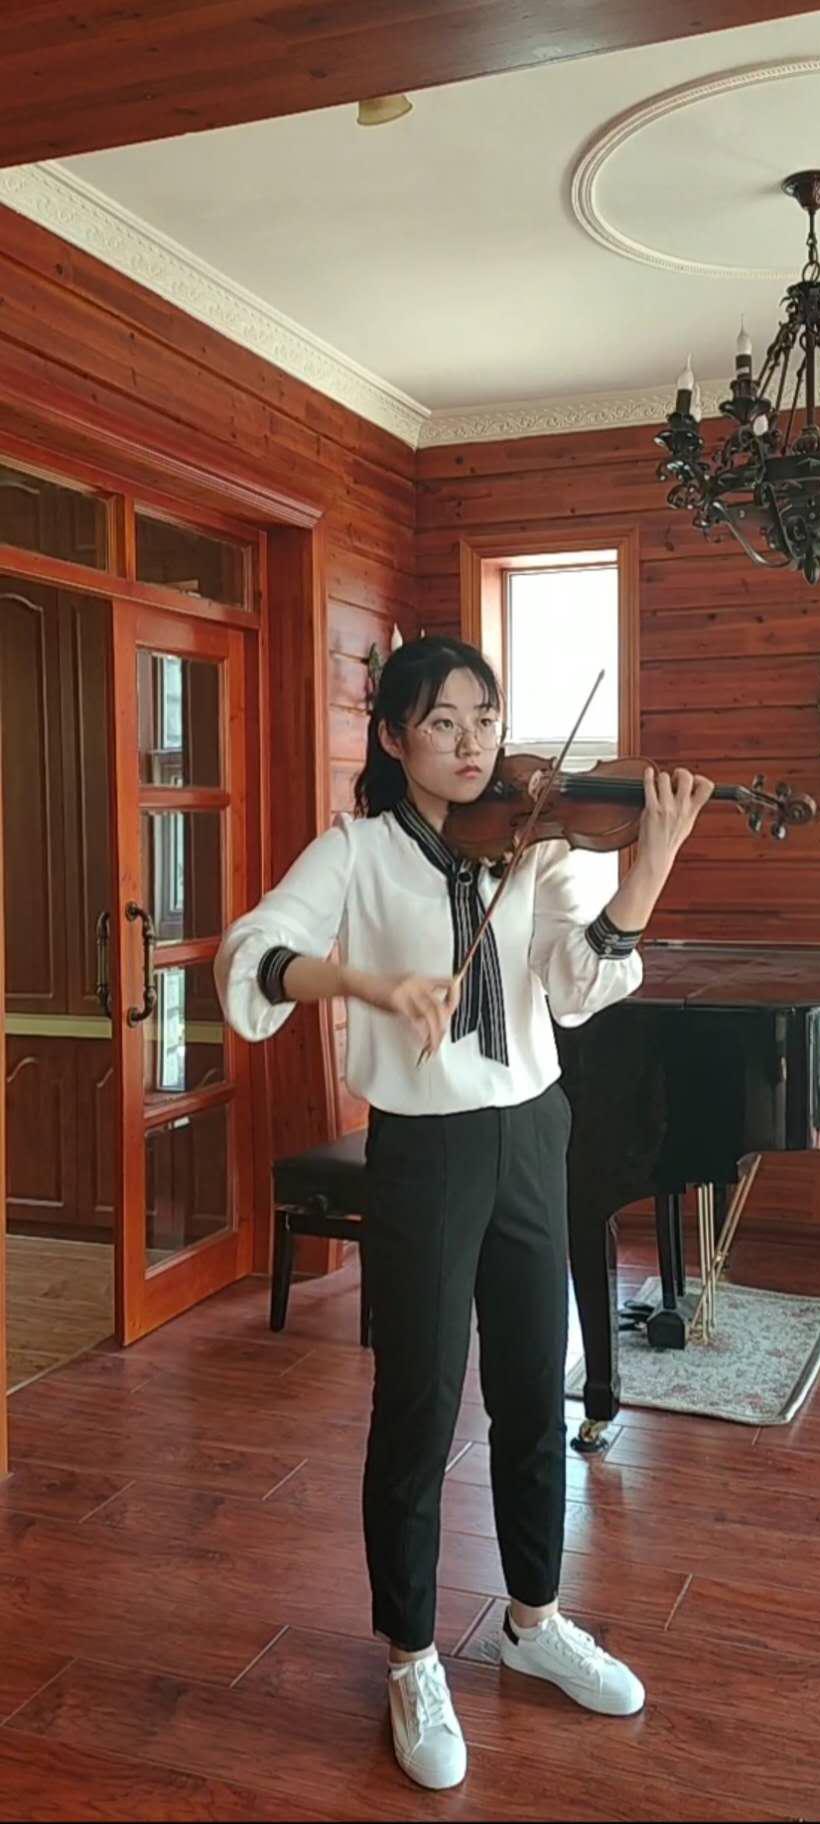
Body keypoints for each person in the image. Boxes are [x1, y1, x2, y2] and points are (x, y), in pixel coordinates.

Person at [215, 635, 713, 1791]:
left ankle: (533, 1622)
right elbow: (257, 952)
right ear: (395, 737)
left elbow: (577, 990)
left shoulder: (535, 843)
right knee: (420, 1405)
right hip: (426, 1150)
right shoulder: (356, 852)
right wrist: (363, 982)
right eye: (443, 721)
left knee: (535, 1390)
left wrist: (646, 872)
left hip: (534, 1133)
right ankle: (411, 1656)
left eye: (484, 717)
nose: (473, 742)